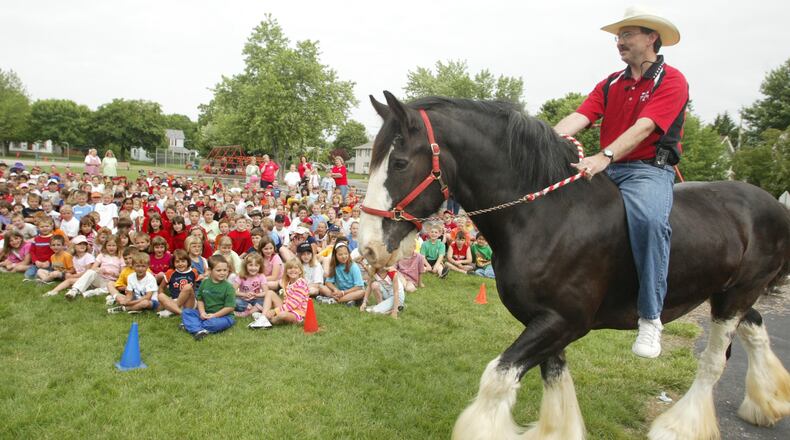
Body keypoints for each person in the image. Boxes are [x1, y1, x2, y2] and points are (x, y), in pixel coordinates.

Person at [553, 7, 687, 359]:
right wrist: (542, 140)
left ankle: (650, 317)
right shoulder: (611, 82)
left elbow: (645, 127)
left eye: (627, 35)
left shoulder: (671, 80)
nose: (620, 43)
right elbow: (581, 116)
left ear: (651, 37)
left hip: (647, 170)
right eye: (618, 37)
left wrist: (605, 157)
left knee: (649, 222)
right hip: (608, 167)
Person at [181, 255, 236, 340]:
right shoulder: (204, 283)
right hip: (206, 313)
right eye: (219, 270)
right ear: (210, 270)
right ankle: (198, 329)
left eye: (225, 270)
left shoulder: (229, 287)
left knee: (213, 324)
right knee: (186, 312)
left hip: (223, 316)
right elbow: (200, 300)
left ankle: (193, 326)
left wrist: (214, 315)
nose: (222, 273)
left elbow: (230, 307)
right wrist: (202, 313)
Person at [250, 258, 309, 328]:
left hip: (298, 313)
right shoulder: (288, 283)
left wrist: (275, 311)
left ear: (300, 271)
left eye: (296, 268)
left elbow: (293, 304)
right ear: (286, 271)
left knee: (282, 315)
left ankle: (269, 321)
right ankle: (263, 317)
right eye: (290, 268)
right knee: (270, 293)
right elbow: (286, 302)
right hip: (287, 308)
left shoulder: (301, 283)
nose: (293, 270)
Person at [321, 241, 365, 306]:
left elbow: (359, 286)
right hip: (340, 291)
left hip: (351, 291)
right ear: (335, 255)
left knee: (362, 292)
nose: (344, 256)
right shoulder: (334, 266)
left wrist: (343, 292)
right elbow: (328, 282)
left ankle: (334, 300)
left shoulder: (353, 266)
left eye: (346, 254)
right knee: (322, 287)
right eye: (340, 254)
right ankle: (347, 300)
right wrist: (335, 289)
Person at [157, 249, 198, 318]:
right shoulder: (170, 272)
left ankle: (171, 310)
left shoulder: (193, 272)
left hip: (189, 302)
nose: (180, 264)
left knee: (187, 287)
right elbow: (161, 287)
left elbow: (193, 287)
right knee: (160, 296)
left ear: (188, 261)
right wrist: (162, 301)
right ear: (173, 263)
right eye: (177, 262)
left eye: (183, 261)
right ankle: (182, 313)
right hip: (174, 300)